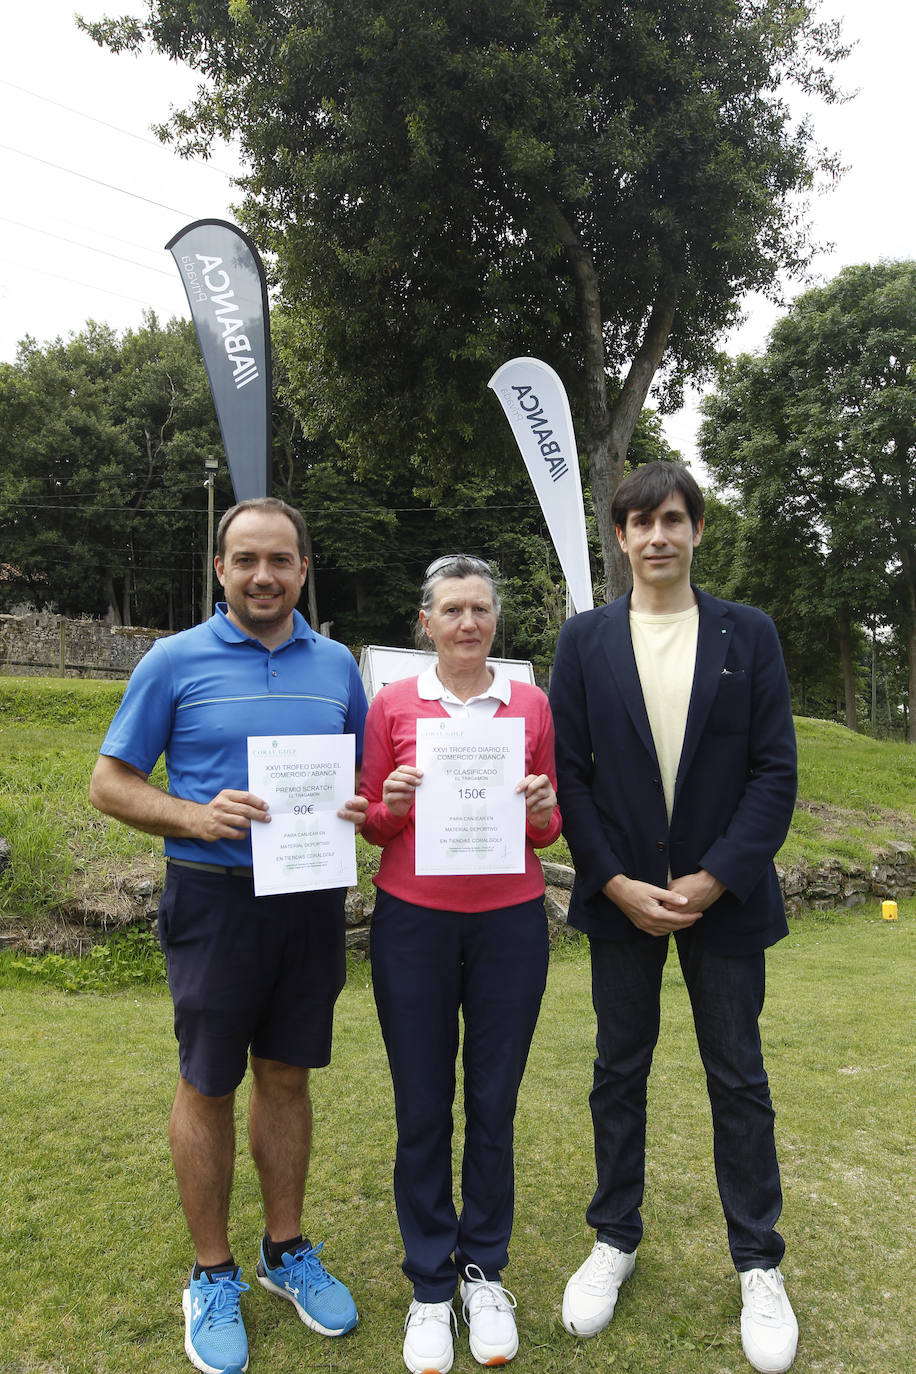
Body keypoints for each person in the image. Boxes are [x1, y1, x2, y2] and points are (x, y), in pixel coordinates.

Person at [89, 497, 369, 1374]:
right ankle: (211, 1273)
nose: (263, 575)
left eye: (279, 560)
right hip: (212, 899)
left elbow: (361, 775)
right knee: (207, 1082)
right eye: (245, 559)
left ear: (302, 570)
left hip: (311, 899)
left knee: (286, 1075)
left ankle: (284, 1252)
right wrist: (193, 815)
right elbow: (108, 782)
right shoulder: (172, 661)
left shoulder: (336, 667)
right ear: (220, 569)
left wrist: (361, 807)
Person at [549, 463, 799, 1374]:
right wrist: (613, 882)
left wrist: (711, 880)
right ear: (619, 538)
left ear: (696, 530)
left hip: (721, 905)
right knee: (619, 1071)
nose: (657, 536)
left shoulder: (749, 634)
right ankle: (614, 1237)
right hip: (621, 904)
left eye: (672, 519)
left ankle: (758, 1263)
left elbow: (775, 773)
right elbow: (568, 775)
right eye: (639, 522)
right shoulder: (583, 642)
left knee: (737, 1077)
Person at [358, 554, 561, 1374]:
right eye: (453, 610)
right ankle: (429, 1287)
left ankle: (483, 1272)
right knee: (422, 1105)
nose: (469, 623)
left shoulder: (532, 704)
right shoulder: (394, 704)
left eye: (481, 609)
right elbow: (371, 822)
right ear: (426, 623)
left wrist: (546, 812)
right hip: (414, 924)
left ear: (494, 621)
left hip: (511, 923)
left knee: (494, 1101)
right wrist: (392, 806)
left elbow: (544, 830)